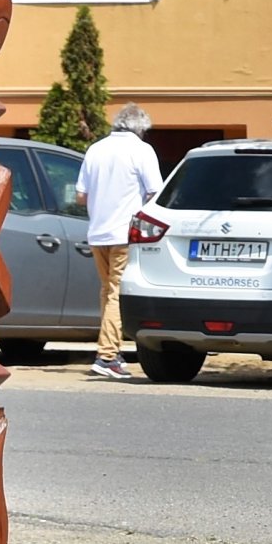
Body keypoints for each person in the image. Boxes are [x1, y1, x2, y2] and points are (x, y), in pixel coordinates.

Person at [77, 106, 162, 381]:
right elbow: (155, 193)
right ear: (140, 128)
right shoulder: (141, 151)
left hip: (97, 231)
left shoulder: (96, 149)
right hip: (124, 232)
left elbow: (80, 196)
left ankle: (110, 350)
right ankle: (107, 355)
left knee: (107, 291)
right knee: (115, 292)